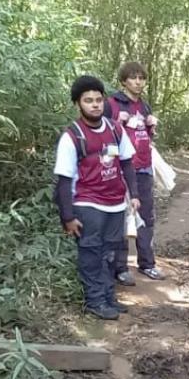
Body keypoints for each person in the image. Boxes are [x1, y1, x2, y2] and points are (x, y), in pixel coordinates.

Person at [54, 75, 141, 320]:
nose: (95, 105)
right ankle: (95, 301)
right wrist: (67, 216)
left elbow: (126, 163)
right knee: (91, 252)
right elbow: (63, 179)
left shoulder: (115, 128)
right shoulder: (72, 136)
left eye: (98, 100)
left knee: (111, 253)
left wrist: (133, 195)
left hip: (115, 203)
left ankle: (108, 296)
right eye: (88, 100)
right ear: (77, 104)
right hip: (87, 203)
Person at [105, 61, 165, 284]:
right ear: (123, 81)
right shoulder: (112, 104)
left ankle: (147, 264)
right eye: (133, 77)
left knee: (147, 216)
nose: (138, 82)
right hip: (120, 169)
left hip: (144, 166)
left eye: (142, 78)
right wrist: (114, 122)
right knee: (121, 216)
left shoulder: (144, 106)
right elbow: (101, 135)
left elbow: (146, 138)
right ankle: (120, 267)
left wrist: (151, 127)